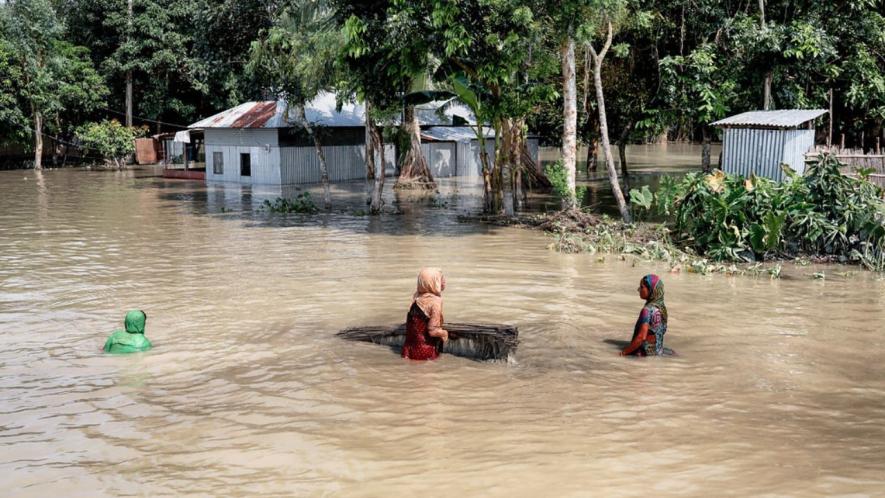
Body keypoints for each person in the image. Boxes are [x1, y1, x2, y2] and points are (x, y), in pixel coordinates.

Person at [402, 268, 449, 360]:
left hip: (407, 351)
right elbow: (433, 331)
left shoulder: (416, 297)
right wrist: (444, 333)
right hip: (425, 353)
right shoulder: (435, 302)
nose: (444, 281)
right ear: (432, 283)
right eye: (440, 279)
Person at [620, 274, 668, 357]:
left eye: (642, 287)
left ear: (651, 289)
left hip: (642, 355)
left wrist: (624, 353)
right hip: (658, 354)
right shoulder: (662, 309)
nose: (639, 290)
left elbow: (641, 337)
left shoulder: (647, 310)